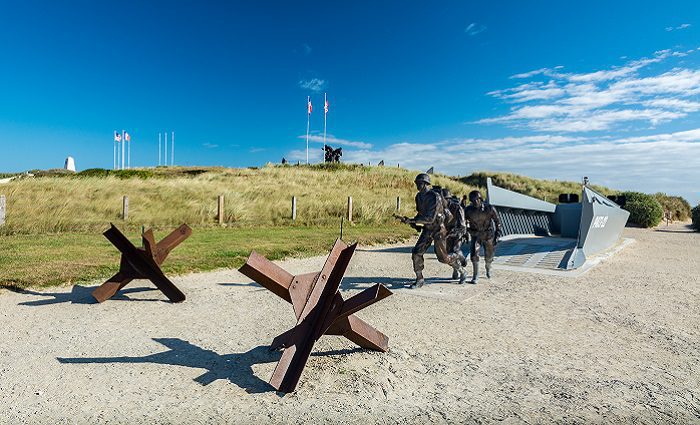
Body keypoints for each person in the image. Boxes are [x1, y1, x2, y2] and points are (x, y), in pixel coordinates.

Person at [398, 173, 467, 288]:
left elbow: (430, 218)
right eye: (416, 183)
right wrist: (410, 221)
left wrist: (412, 221)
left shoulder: (435, 197)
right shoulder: (418, 197)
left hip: (438, 230)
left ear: (425, 184)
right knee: (416, 253)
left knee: (443, 258)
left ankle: (461, 269)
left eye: (419, 183)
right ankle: (419, 279)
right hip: (427, 230)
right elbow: (420, 214)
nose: (417, 185)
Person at [464, 190, 502, 283]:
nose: (475, 202)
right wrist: (466, 231)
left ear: (480, 199)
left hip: (488, 235)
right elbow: (463, 222)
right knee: (474, 254)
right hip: (476, 234)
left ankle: (488, 267)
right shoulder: (468, 210)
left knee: (489, 256)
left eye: (477, 199)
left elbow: (498, 222)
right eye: (473, 200)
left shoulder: (489, 208)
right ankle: (475, 276)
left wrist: (497, 235)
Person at [441, 188, 468, 279]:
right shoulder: (440, 208)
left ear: (447, 199)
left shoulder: (457, 207)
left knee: (455, 251)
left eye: (442, 199)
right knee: (447, 256)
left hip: (458, 233)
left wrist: (454, 232)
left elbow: (462, 226)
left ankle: (462, 260)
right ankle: (457, 269)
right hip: (446, 235)